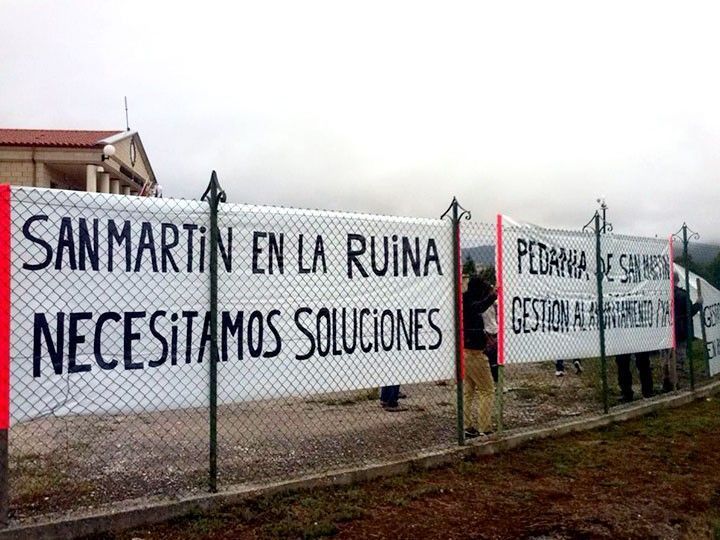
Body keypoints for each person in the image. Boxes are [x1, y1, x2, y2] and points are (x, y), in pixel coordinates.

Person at [462, 276, 496, 438]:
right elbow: (478, 308)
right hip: (475, 352)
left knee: (468, 391)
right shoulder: (470, 302)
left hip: (464, 351)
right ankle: (485, 427)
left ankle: (466, 425)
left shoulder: (464, 299)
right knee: (487, 390)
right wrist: (493, 296)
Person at [663, 271, 703, 392]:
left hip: (665, 332)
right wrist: (698, 304)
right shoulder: (682, 295)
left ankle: (666, 383)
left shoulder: (662, 293)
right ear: (677, 280)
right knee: (678, 358)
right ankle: (675, 384)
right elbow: (689, 311)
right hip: (680, 331)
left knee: (666, 358)